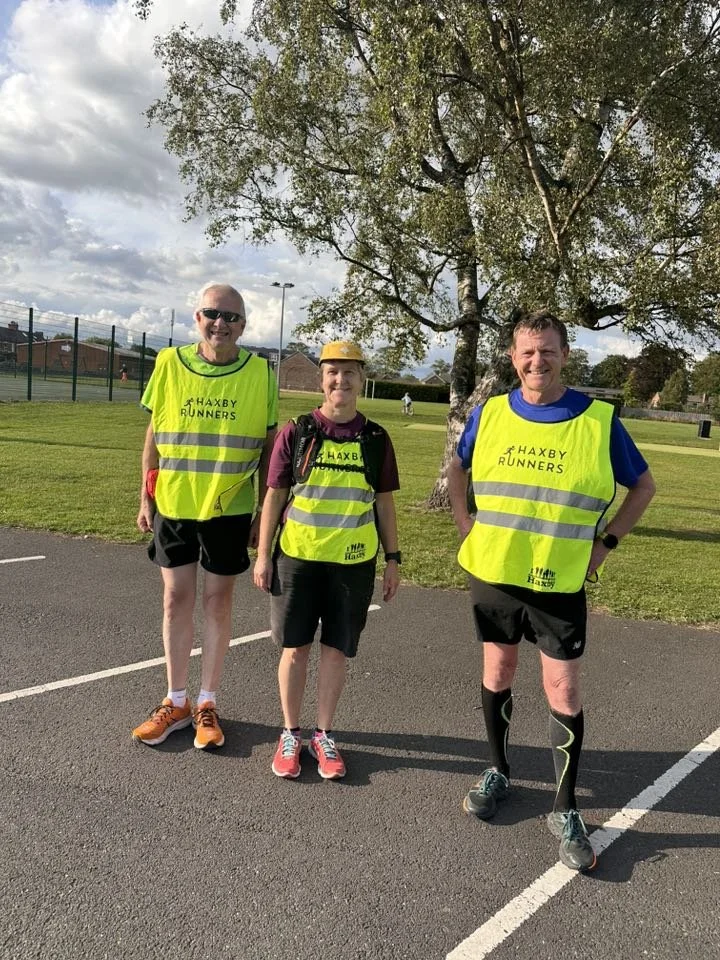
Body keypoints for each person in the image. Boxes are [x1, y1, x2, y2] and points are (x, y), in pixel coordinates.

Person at [447, 309, 656, 871]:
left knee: (561, 688)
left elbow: (642, 485)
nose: (537, 361)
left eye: (548, 350)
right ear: (514, 359)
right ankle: (500, 771)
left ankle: (565, 807)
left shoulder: (596, 420)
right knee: (498, 673)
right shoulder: (489, 412)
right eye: (527, 352)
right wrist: (466, 524)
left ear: (565, 355)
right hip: (493, 572)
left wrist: (605, 544)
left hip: (559, 580)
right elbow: (457, 469)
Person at [132, 282, 278, 750]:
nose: (222, 324)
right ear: (197, 318)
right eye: (212, 314)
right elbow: (154, 435)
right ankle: (175, 701)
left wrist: (263, 513)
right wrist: (144, 496)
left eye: (232, 317)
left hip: (229, 510)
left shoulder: (259, 373)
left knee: (217, 603)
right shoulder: (169, 364)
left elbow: (269, 449)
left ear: (243, 326)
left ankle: (207, 702)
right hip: (174, 505)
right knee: (175, 601)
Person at [253, 340, 401, 780]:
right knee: (295, 649)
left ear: (362, 379)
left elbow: (385, 504)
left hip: (352, 565)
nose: (341, 380)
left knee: (337, 651)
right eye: (333, 372)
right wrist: (262, 556)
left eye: (350, 372)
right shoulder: (297, 432)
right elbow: (274, 496)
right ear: (322, 378)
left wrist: (392, 560)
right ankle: (290, 734)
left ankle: (323, 734)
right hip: (296, 561)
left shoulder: (376, 438)